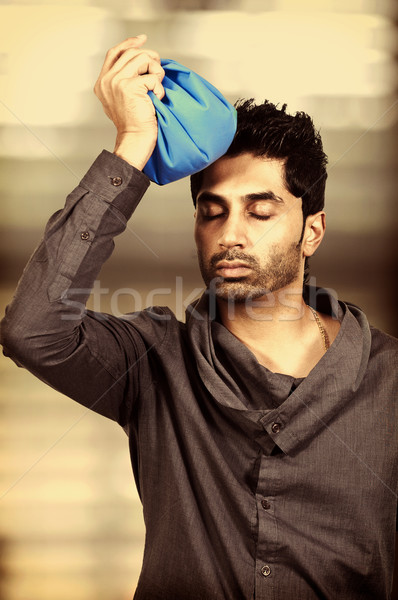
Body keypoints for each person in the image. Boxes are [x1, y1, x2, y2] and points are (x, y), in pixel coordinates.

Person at [1, 35, 397, 600]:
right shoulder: (153, 360)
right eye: (212, 213)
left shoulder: (391, 380)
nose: (231, 234)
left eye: (261, 211)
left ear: (312, 230)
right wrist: (133, 145)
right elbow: (30, 330)